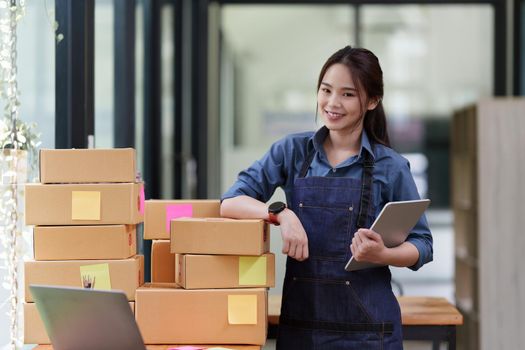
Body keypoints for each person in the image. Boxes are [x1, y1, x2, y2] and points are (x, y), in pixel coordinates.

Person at [220, 46, 433, 350]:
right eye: (326, 90)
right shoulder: (292, 152)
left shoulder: (391, 166)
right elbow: (230, 202)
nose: (332, 103)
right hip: (303, 331)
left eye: (347, 94)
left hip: (370, 335)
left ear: (372, 101)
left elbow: (423, 245)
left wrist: (383, 255)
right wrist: (282, 214)